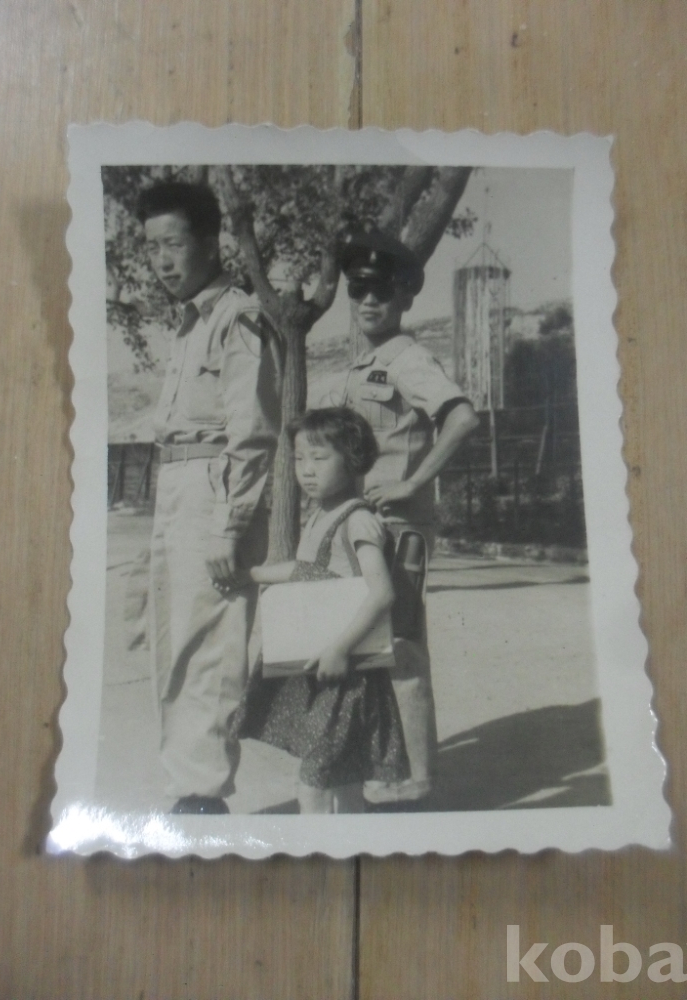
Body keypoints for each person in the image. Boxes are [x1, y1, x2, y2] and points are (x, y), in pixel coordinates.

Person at [137, 181, 280, 814]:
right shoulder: (189, 324)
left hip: (212, 489)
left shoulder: (237, 316)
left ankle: (202, 796)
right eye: (152, 248)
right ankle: (187, 787)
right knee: (174, 640)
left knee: (212, 641)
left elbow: (252, 431)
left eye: (173, 244)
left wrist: (231, 524)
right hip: (177, 484)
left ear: (210, 241)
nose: (162, 261)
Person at [333, 229, 480, 804]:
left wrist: (414, 483)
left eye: (383, 291)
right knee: (372, 647)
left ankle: (418, 782)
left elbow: (462, 418)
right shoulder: (364, 364)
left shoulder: (409, 359)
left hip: (398, 529)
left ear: (406, 297)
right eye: (358, 289)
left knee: (401, 648)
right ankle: (389, 770)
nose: (369, 301)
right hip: (363, 527)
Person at [231, 408, 409, 814]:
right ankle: (348, 843)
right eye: (299, 459)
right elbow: (304, 568)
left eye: (319, 458)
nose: (306, 470)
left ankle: (320, 845)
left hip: (347, 671)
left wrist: (340, 649)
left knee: (316, 779)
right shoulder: (319, 514)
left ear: (352, 459)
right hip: (324, 665)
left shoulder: (357, 520)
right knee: (342, 776)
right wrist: (252, 574)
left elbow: (382, 593)